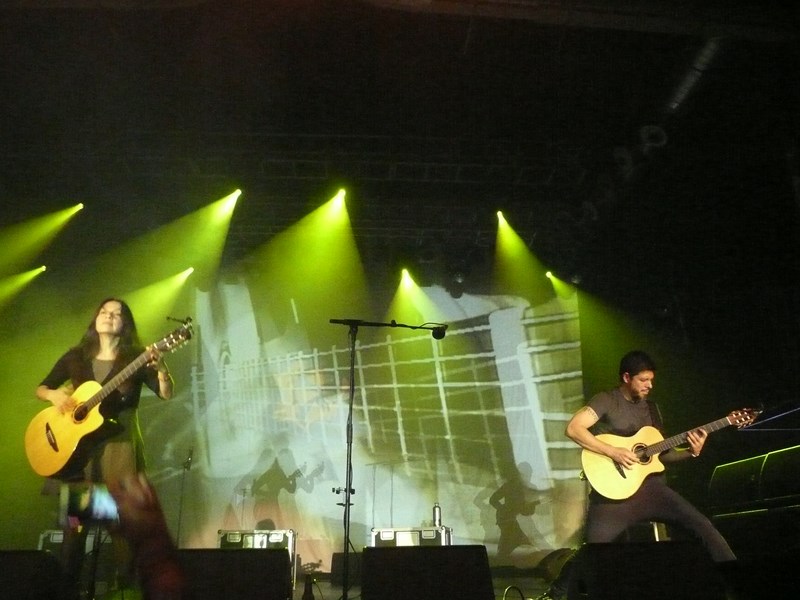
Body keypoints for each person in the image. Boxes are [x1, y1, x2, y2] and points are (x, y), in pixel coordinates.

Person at [536, 350, 736, 599]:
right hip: (613, 496)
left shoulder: (652, 409)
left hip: (653, 491)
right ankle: (555, 595)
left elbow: (661, 456)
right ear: (626, 377)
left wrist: (690, 452)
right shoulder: (606, 400)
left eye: (651, 380)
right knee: (592, 550)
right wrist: (613, 451)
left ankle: (735, 581)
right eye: (644, 380)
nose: (649, 385)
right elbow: (574, 428)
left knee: (702, 525)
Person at [36, 297, 175, 598]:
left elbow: (165, 393)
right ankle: (68, 590)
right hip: (79, 455)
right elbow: (42, 387)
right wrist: (54, 396)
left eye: (117, 314)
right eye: (104, 311)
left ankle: (124, 590)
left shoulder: (136, 357)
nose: (109, 316)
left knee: (121, 527)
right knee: (74, 528)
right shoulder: (76, 357)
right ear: (95, 319)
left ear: (125, 324)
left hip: (118, 450)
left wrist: (161, 368)